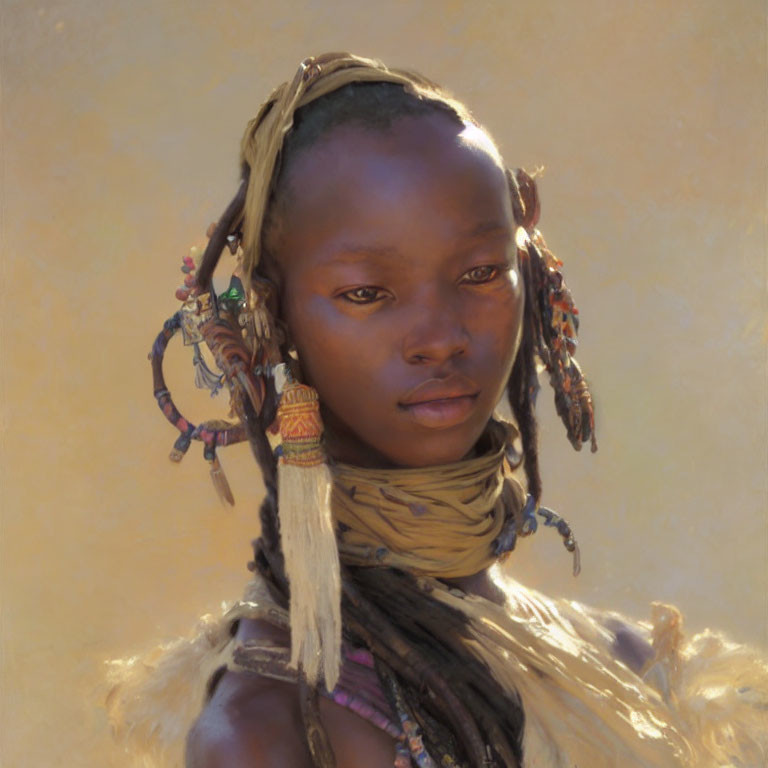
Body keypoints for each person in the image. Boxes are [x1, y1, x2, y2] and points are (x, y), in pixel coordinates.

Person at [107, 53, 767, 768]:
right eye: (367, 293)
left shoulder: (639, 673)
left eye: (481, 275)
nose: (442, 338)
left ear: (531, 271)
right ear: (273, 315)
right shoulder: (272, 732)